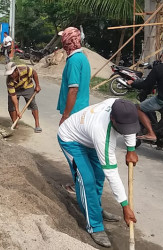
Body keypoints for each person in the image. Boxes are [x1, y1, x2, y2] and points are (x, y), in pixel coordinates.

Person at [58, 98, 139, 248]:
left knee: (99, 176)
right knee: (87, 180)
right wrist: (125, 206)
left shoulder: (120, 105)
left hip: (89, 138)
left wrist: (131, 149)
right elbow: (112, 174)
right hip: (71, 139)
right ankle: (95, 226)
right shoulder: (102, 132)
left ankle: (96, 209)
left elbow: (130, 124)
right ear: (112, 119)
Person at [57, 27, 91, 126]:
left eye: (63, 38)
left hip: (73, 112)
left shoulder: (74, 60)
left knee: (67, 140)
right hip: (80, 109)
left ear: (68, 40)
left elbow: (73, 89)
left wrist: (65, 116)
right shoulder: (81, 57)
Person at [4, 62, 42, 133]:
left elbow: (34, 73)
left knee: (33, 104)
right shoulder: (9, 81)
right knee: (12, 107)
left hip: (27, 86)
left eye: (12, 74)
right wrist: (18, 111)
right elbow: (13, 96)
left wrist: (37, 85)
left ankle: (37, 125)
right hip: (15, 90)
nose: (11, 76)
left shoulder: (24, 68)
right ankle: (15, 125)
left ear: (16, 70)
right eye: (9, 74)